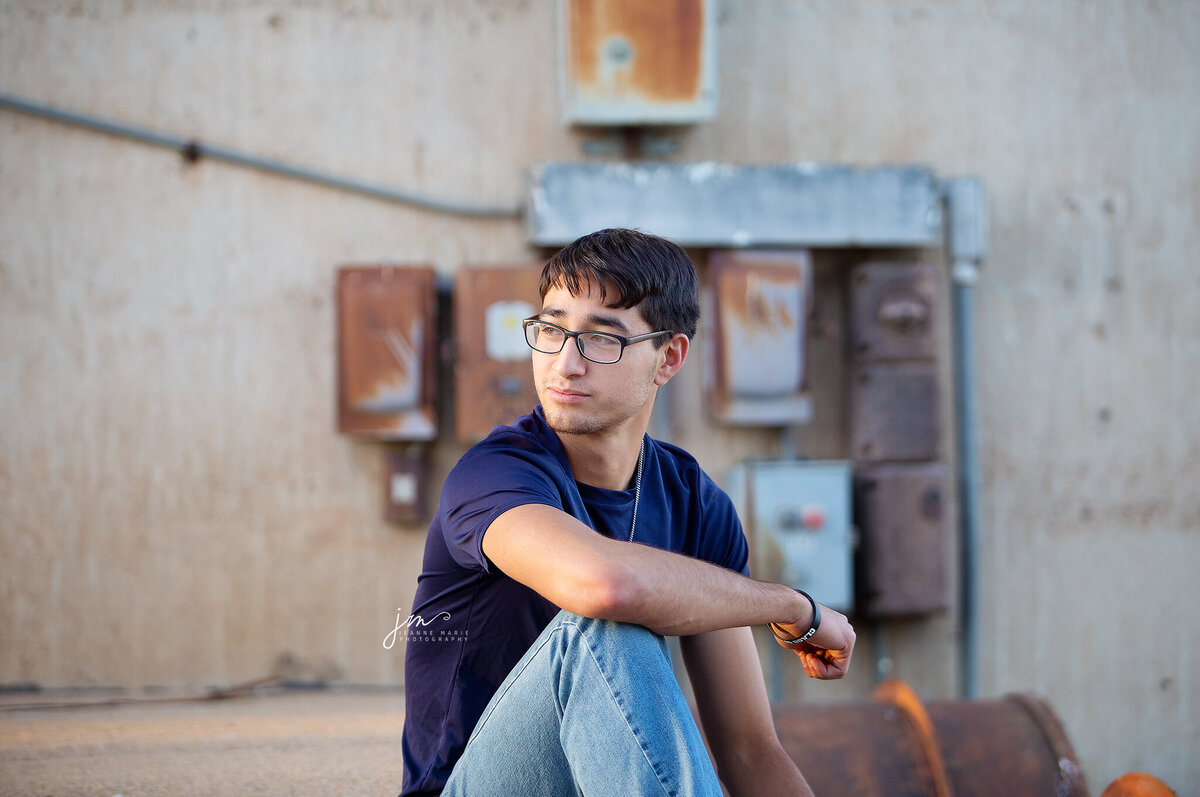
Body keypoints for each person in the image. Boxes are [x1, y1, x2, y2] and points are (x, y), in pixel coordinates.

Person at [399, 228, 856, 797]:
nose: (565, 365)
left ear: (669, 357)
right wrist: (790, 605)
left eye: (601, 340)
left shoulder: (692, 500)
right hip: (473, 786)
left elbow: (749, 749)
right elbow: (607, 588)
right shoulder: (495, 474)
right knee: (601, 627)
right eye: (551, 330)